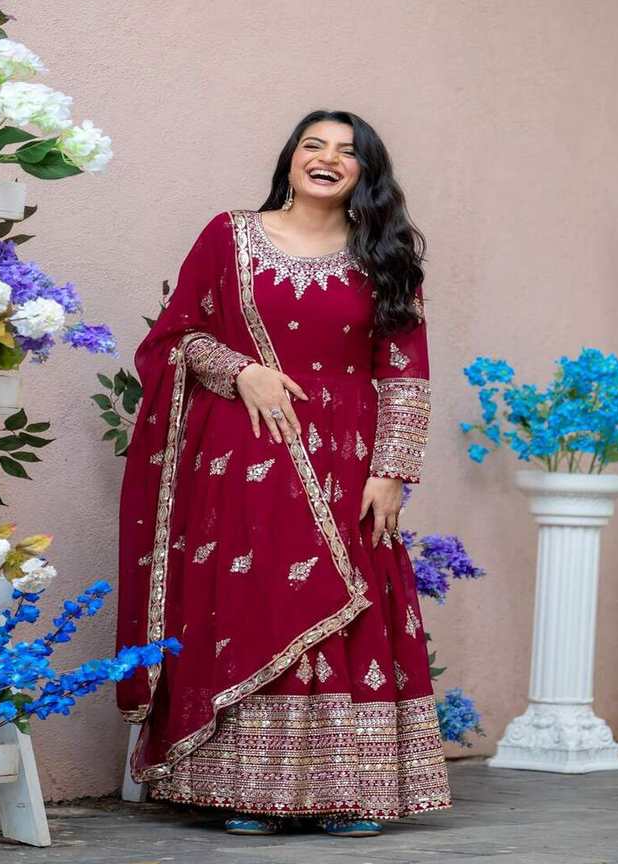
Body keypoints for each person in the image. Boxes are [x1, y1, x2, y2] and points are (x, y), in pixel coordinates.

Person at [116, 109, 452, 837]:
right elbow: (175, 337)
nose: (327, 158)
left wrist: (392, 471)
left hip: (348, 458)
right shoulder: (229, 236)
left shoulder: (386, 258)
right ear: (291, 160)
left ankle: (344, 791)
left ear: (366, 172)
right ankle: (243, 788)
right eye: (313, 145)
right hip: (244, 454)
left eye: (346, 151)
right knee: (253, 599)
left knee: (346, 600)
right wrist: (241, 371)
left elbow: (405, 372)